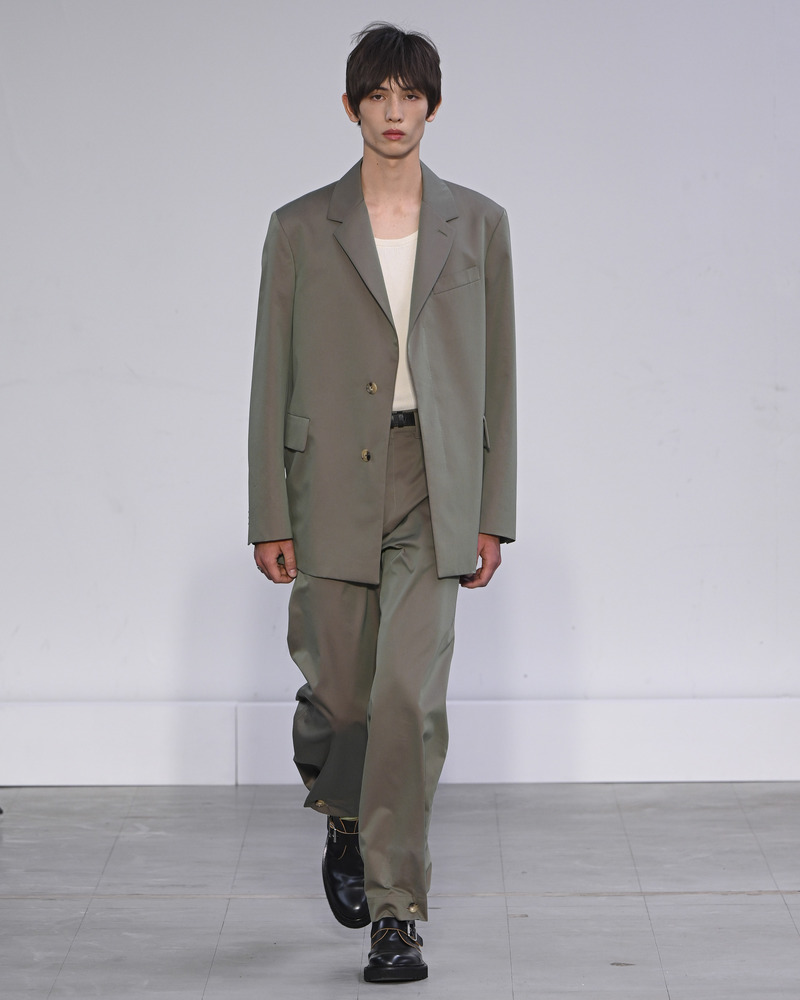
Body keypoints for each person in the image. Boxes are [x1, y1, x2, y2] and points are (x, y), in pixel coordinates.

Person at [248, 22, 516, 983]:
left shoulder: (478, 224)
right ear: (351, 106)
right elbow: (270, 375)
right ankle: (341, 805)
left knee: (408, 699)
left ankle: (395, 911)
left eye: (410, 95)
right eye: (377, 95)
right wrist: (269, 513)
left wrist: (492, 508)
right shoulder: (299, 227)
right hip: (328, 482)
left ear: (433, 107)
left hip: (435, 481)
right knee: (342, 699)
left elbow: (499, 377)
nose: (394, 112)